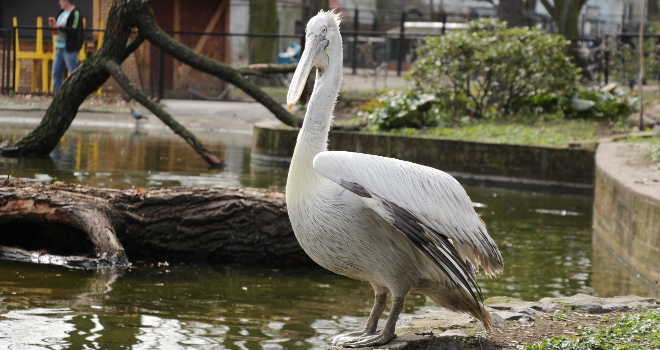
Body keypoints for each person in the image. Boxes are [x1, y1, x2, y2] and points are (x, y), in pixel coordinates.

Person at [49, 0, 84, 92]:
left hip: (70, 47)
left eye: (61, 1)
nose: (59, 3)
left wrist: (59, 27)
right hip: (59, 46)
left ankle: (76, 92)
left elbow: (74, 29)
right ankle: (57, 93)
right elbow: (57, 24)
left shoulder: (75, 13)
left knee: (73, 71)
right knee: (56, 72)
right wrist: (53, 24)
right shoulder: (61, 12)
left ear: (66, 1)